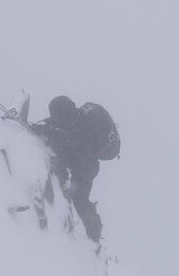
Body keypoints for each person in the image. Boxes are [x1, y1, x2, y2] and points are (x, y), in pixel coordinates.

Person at [30, 96, 119, 242]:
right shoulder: (74, 117)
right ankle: (64, 186)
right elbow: (63, 128)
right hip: (83, 153)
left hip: (88, 165)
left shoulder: (86, 133)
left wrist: (47, 131)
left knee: (79, 199)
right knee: (62, 148)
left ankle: (93, 235)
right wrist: (47, 127)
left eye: (59, 118)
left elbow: (68, 141)